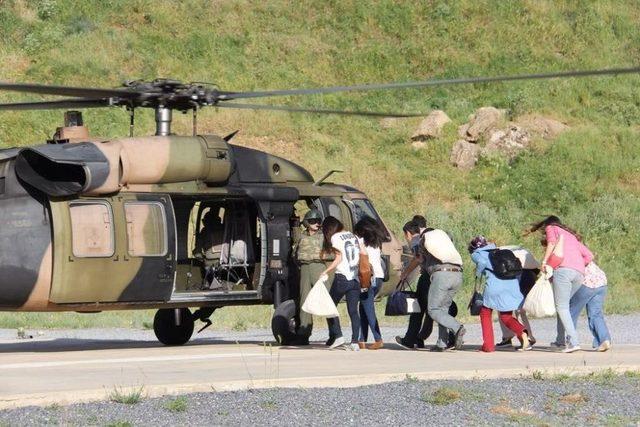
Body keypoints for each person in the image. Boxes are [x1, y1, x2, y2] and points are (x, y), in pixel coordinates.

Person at [529, 216, 593, 353]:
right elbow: (589, 256)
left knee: (562, 307)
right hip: (579, 274)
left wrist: (544, 262)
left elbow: (551, 244)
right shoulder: (571, 236)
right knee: (562, 306)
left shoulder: (551, 228)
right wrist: (577, 265)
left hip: (563, 271)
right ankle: (560, 341)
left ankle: (574, 342)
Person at [469, 236, 530, 352]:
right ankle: (522, 333)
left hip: (494, 287)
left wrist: (478, 274)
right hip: (511, 285)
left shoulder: (477, 253)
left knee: (485, 313)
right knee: (506, 316)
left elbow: (481, 262)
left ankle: (488, 346)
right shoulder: (497, 251)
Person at [319, 216, 361, 350]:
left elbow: (339, 258)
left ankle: (338, 335)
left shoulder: (335, 238)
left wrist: (327, 271)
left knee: (329, 306)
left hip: (342, 277)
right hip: (355, 278)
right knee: (353, 311)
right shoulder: (352, 235)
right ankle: (355, 341)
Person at [422, 227, 465, 351]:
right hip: (457, 274)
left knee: (433, 309)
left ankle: (457, 327)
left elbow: (424, 262)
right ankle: (442, 343)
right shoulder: (447, 244)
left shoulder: (426, 242)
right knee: (443, 310)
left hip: (442, 275)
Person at [496, 245, 539, 348]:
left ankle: (508, 337)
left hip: (518, 274)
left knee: (503, 307)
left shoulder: (499, 251)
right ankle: (529, 336)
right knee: (521, 309)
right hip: (531, 275)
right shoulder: (520, 248)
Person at [354, 216, 385, 350]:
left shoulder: (360, 241)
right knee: (364, 307)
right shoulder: (377, 243)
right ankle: (362, 339)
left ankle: (378, 338)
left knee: (368, 309)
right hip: (378, 278)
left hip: (367, 278)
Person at [294, 209, 326, 342]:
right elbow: (295, 253)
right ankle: (304, 333)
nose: (316, 224)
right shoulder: (301, 236)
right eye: (313, 221)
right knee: (304, 301)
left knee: (326, 301)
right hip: (305, 268)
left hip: (319, 267)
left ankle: (335, 333)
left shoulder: (324, 236)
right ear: (307, 222)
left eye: (318, 221)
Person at [570, 261, 612, 352]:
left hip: (587, 283)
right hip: (601, 282)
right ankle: (604, 340)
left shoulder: (568, 253)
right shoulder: (584, 253)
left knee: (571, 313)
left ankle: (571, 342)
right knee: (596, 314)